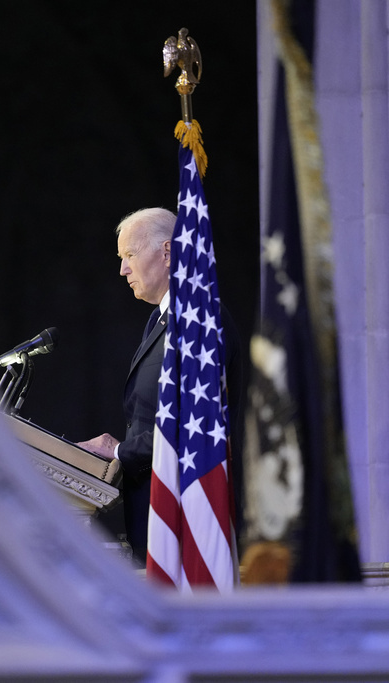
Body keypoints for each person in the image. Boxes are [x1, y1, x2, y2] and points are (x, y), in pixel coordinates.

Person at [79, 207, 245, 565]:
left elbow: (194, 426)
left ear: (167, 252)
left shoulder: (199, 320)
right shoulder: (161, 320)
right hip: (155, 515)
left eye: (130, 256)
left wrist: (119, 451)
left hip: (188, 521)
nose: (122, 269)